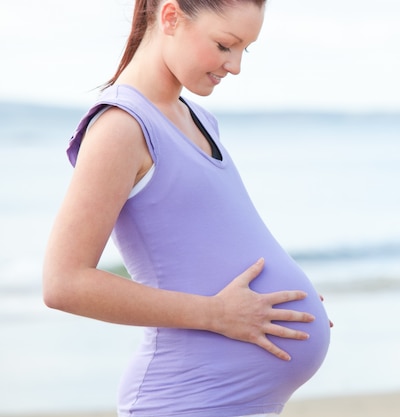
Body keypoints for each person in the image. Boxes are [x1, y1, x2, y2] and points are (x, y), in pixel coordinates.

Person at [42, 0, 331, 416]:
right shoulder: (121, 128)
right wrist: (217, 314)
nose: (234, 66)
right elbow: (63, 283)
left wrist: (289, 305)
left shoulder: (198, 119)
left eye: (244, 49)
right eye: (224, 45)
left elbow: (209, 239)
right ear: (172, 17)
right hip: (184, 400)